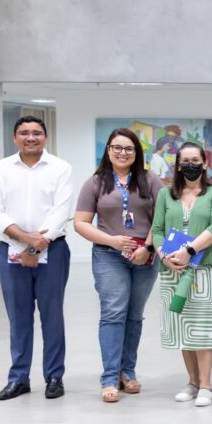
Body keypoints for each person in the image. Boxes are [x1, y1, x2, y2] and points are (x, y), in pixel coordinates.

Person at [0, 116, 74, 401]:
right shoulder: (1, 168)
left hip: (52, 251)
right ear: (15, 138)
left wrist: (35, 248)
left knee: (52, 317)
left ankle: (54, 376)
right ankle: (18, 378)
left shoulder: (61, 168)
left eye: (36, 132)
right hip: (10, 250)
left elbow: (61, 213)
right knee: (18, 317)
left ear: (45, 137)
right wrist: (24, 240)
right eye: (24, 133)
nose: (31, 137)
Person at [73, 127, 163, 402]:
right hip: (109, 255)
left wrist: (148, 247)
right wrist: (111, 241)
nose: (123, 153)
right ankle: (110, 377)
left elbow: (163, 217)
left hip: (145, 255)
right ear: (109, 150)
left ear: (137, 152)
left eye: (129, 149)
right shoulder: (95, 182)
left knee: (134, 315)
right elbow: (80, 223)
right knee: (113, 313)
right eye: (117, 148)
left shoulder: (150, 180)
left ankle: (128, 372)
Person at [151, 142, 212, 407]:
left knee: (203, 327)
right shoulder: (165, 194)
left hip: (206, 268)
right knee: (183, 328)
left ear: (204, 163)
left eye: (195, 160)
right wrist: (164, 256)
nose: (190, 165)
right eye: (185, 161)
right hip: (173, 267)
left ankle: (206, 385)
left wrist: (189, 250)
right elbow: (157, 230)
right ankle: (192, 382)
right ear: (177, 164)